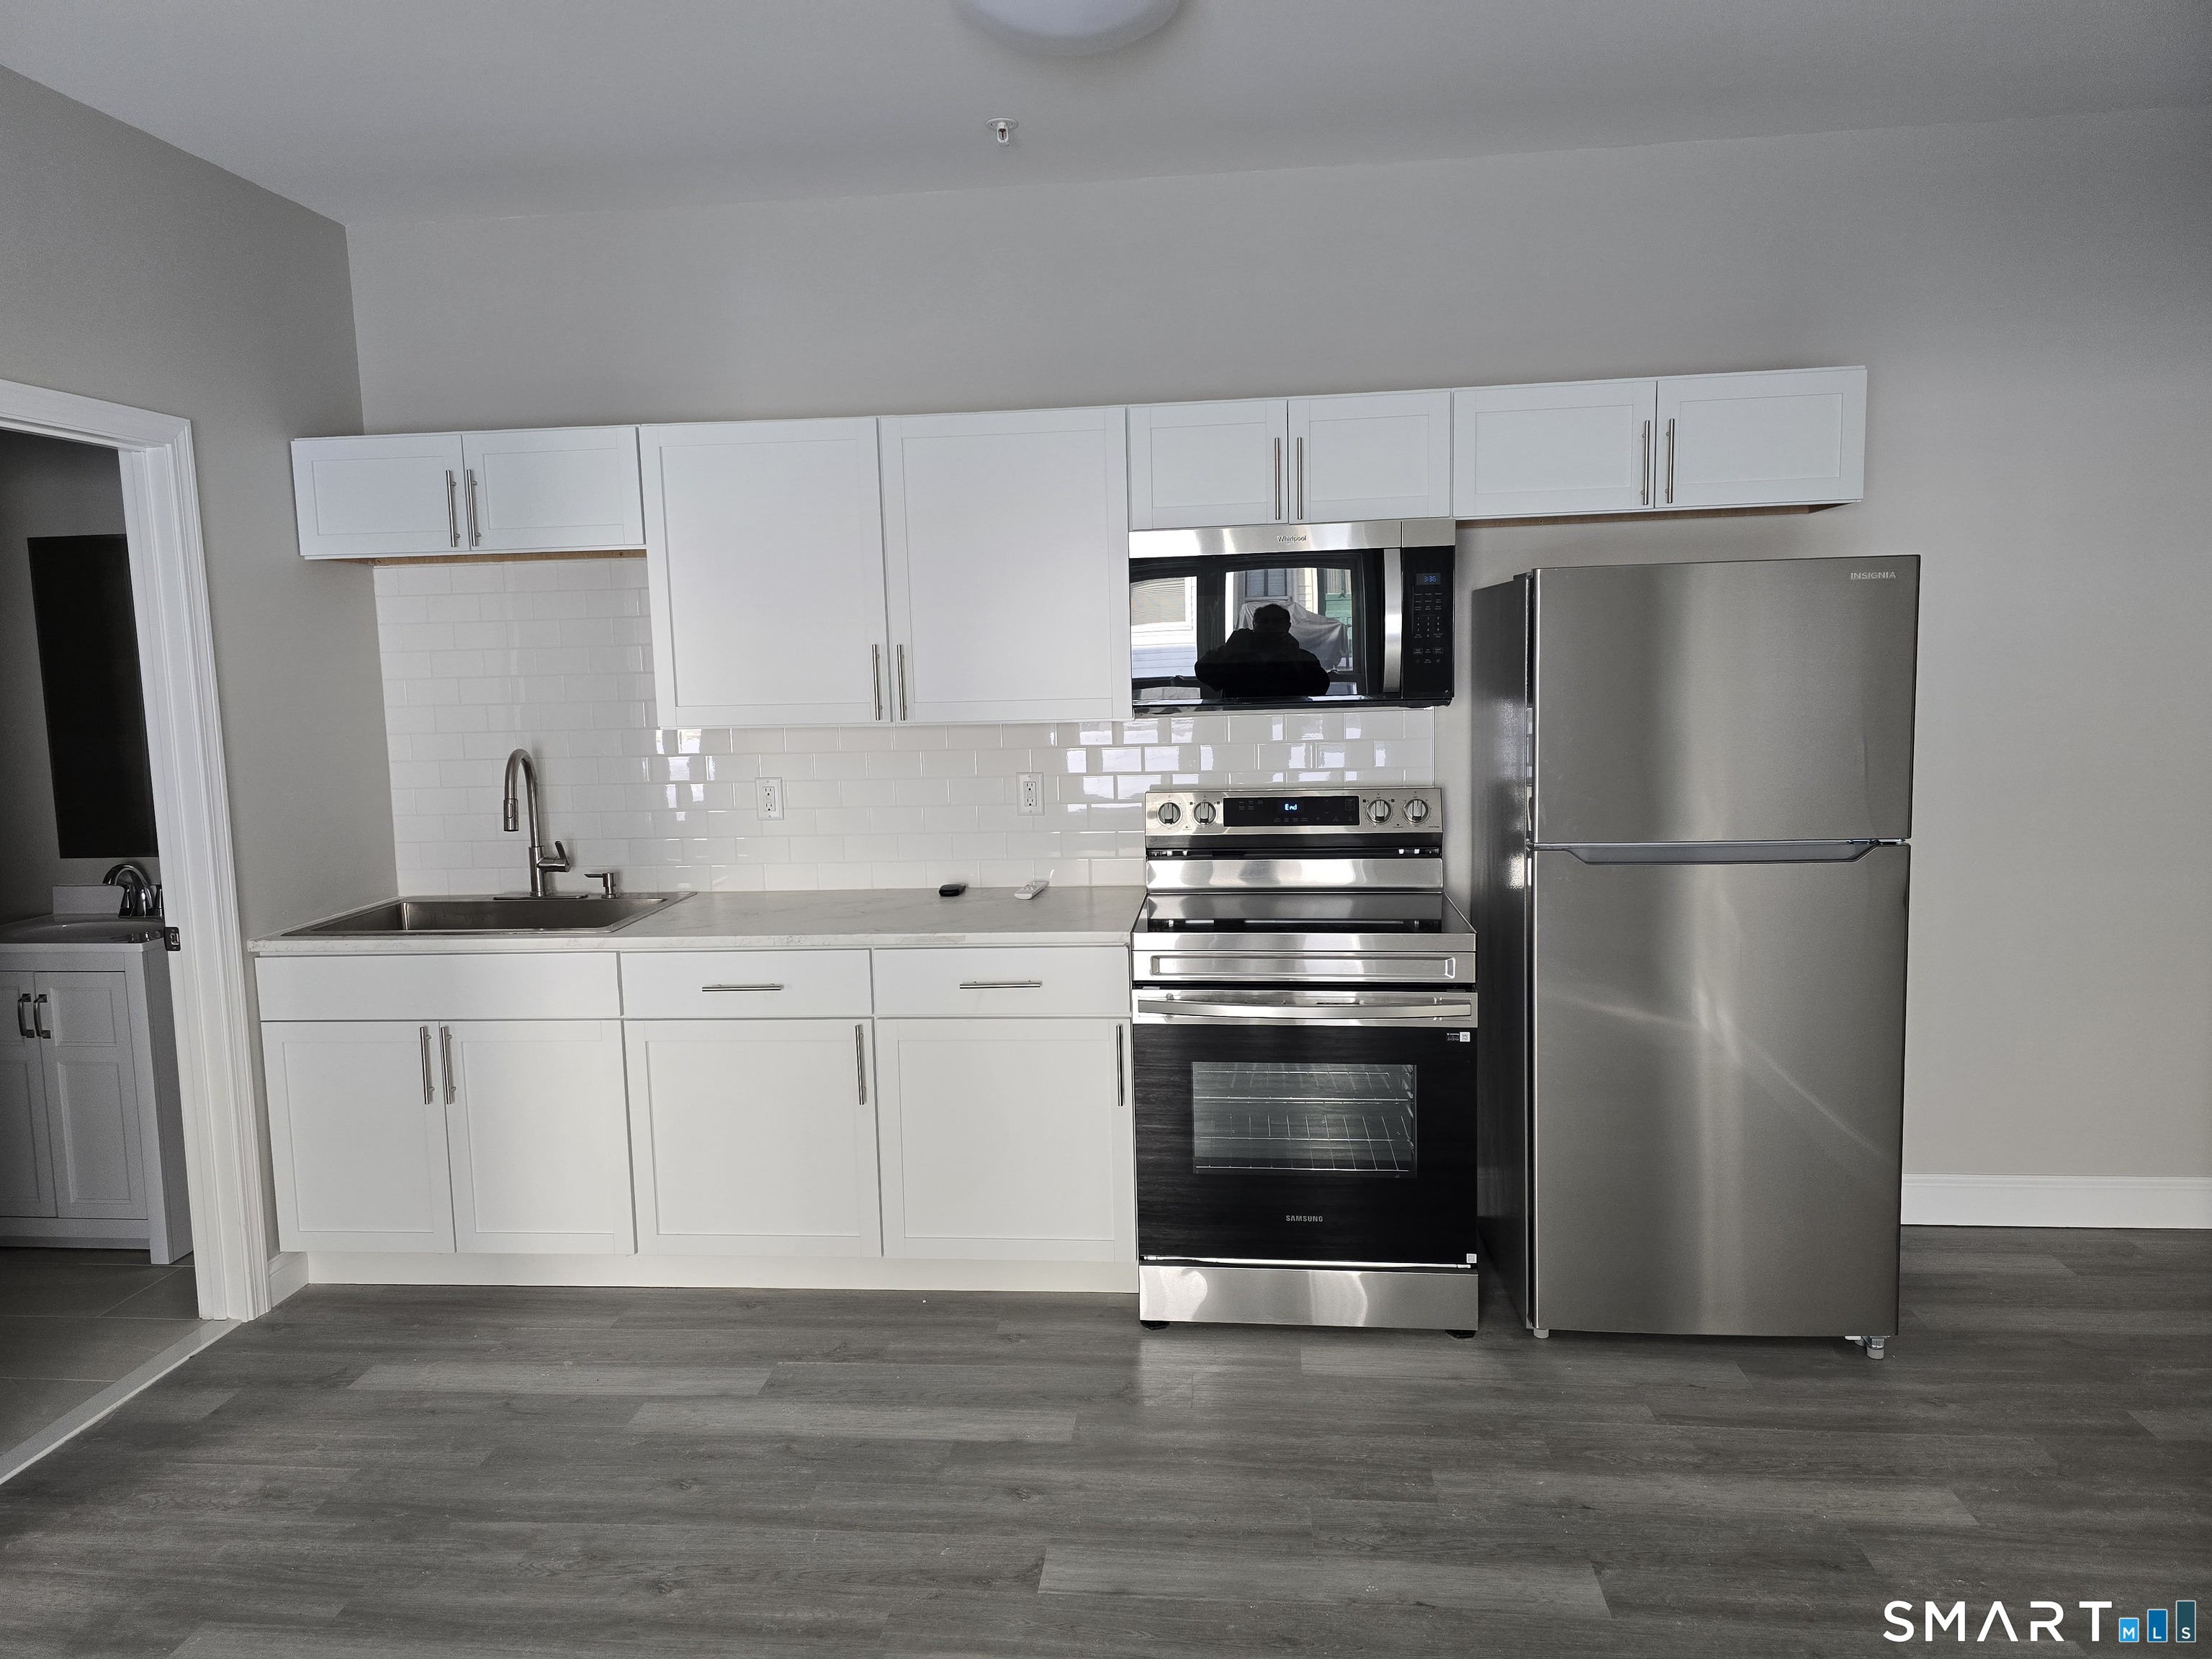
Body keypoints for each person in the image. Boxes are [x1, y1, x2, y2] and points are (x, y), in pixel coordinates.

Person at [1193, 602, 1332, 699]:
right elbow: (1203, 673)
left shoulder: (1302, 657)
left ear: (1287, 626)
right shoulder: (1236, 656)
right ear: (1254, 624)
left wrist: (1293, 655)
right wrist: (1228, 649)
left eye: (1277, 622)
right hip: (1240, 722)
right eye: (1264, 621)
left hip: (1289, 724)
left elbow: (1319, 688)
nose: (1270, 626)